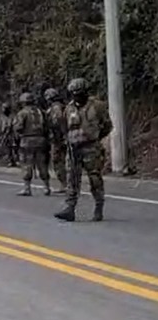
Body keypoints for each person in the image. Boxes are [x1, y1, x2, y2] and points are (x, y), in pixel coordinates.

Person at [55, 78, 111, 222]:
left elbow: (107, 125)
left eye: (79, 93)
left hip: (91, 147)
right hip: (73, 148)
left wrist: (95, 138)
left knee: (94, 178)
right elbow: (65, 128)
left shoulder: (97, 106)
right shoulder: (68, 108)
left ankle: (99, 207)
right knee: (72, 178)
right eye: (74, 94)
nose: (77, 96)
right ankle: (70, 208)